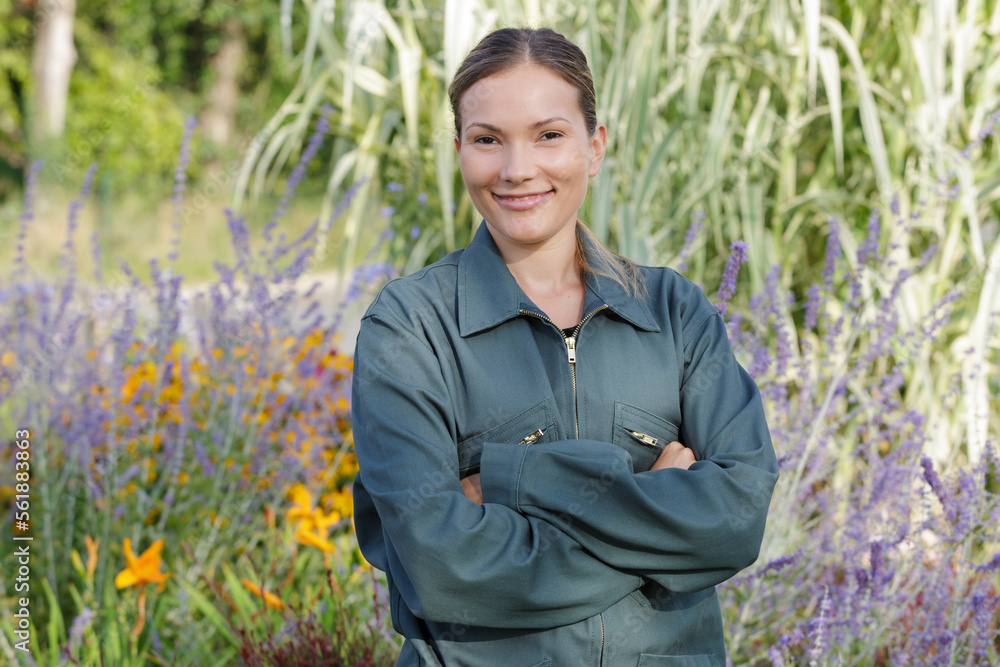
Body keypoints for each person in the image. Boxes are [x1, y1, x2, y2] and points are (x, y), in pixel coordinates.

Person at [351, 26, 778, 667]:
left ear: (595, 146)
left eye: (549, 135)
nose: (517, 169)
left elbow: (737, 517)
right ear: (461, 150)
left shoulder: (675, 313)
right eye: (487, 139)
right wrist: (660, 520)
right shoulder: (409, 329)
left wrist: (509, 478)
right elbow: (440, 566)